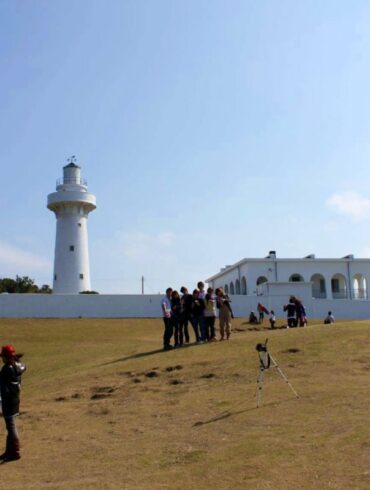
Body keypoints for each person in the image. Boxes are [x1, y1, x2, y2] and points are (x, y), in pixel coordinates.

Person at [0, 344, 26, 462]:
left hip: (8, 400)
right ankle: (9, 451)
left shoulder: (6, 369)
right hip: (15, 398)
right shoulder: (18, 366)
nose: (2, 359)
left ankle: (15, 452)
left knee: (10, 426)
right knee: (10, 426)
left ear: (6, 357)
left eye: (3, 356)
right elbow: (23, 365)